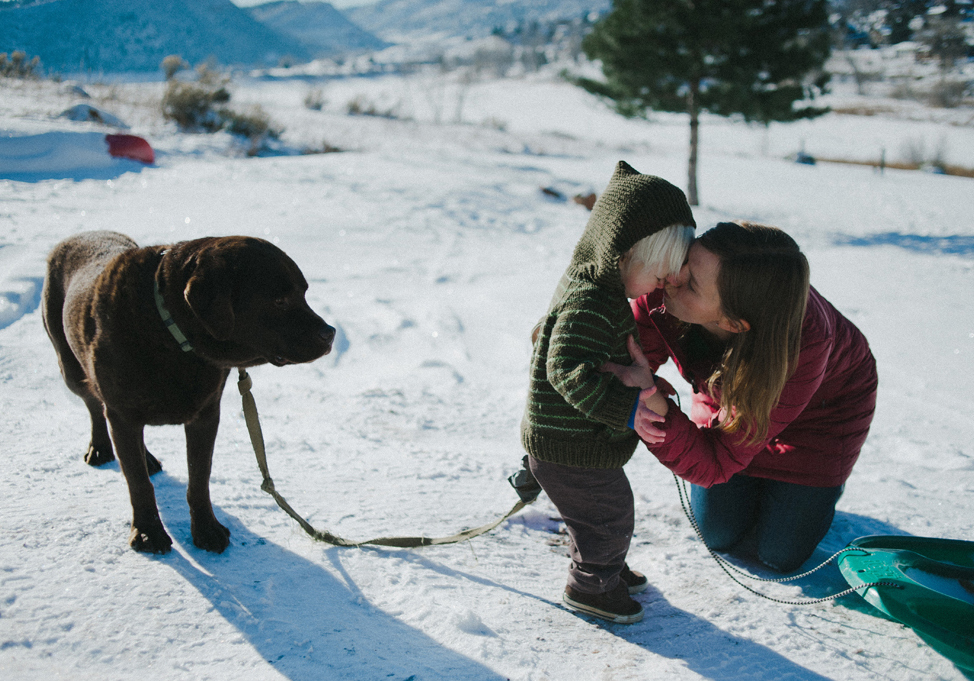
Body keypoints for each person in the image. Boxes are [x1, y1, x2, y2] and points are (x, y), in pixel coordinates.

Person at [604, 221, 878, 573]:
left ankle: (817, 492)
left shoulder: (805, 345)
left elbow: (715, 462)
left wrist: (652, 399)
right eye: (685, 261)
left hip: (820, 416)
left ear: (734, 323)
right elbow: (627, 356)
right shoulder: (670, 285)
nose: (671, 278)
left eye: (691, 284)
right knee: (718, 534)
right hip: (724, 394)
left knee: (779, 555)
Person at [520, 160, 695, 624]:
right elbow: (564, 368)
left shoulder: (597, 290)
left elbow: (588, 354)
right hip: (570, 446)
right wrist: (629, 406)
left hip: (569, 442)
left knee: (592, 514)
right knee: (609, 515)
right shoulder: (590, 302)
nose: (661, 288)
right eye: (659, 276)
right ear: (626, 254)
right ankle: (592, 586)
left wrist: (638, 384)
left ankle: (602, 568)